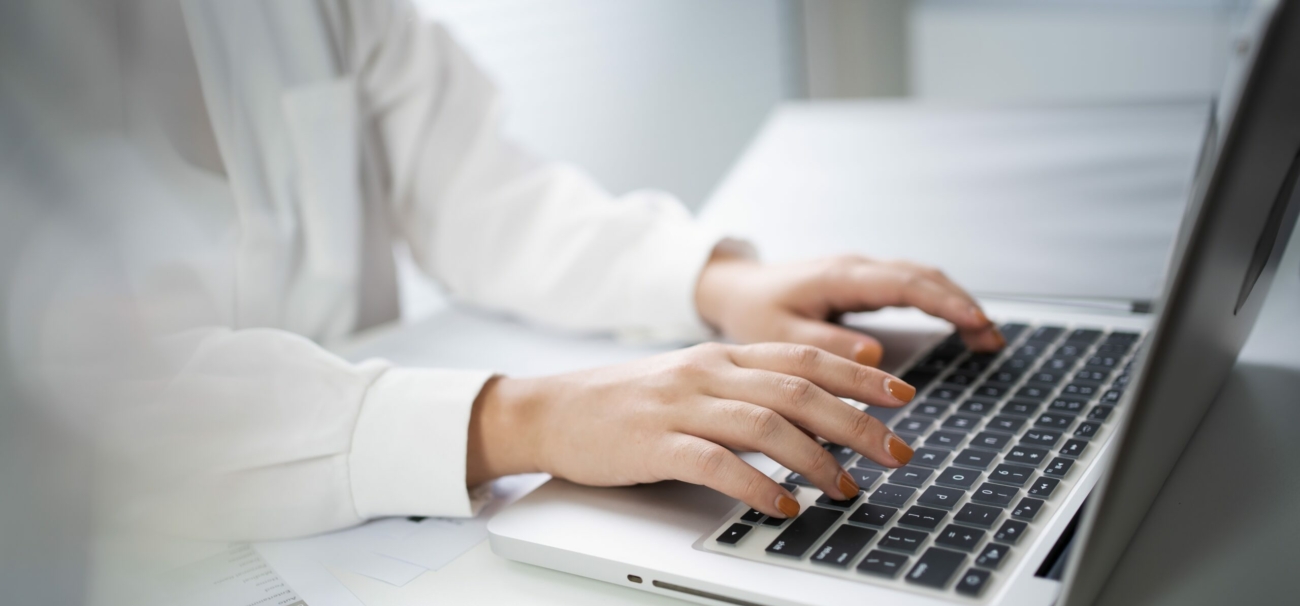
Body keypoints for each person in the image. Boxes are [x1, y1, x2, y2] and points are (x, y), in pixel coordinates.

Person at [88, 0, 1004, 540]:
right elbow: (77, 404)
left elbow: (478, 195)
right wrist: (521, 416)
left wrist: (713, 282)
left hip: (364, 529)